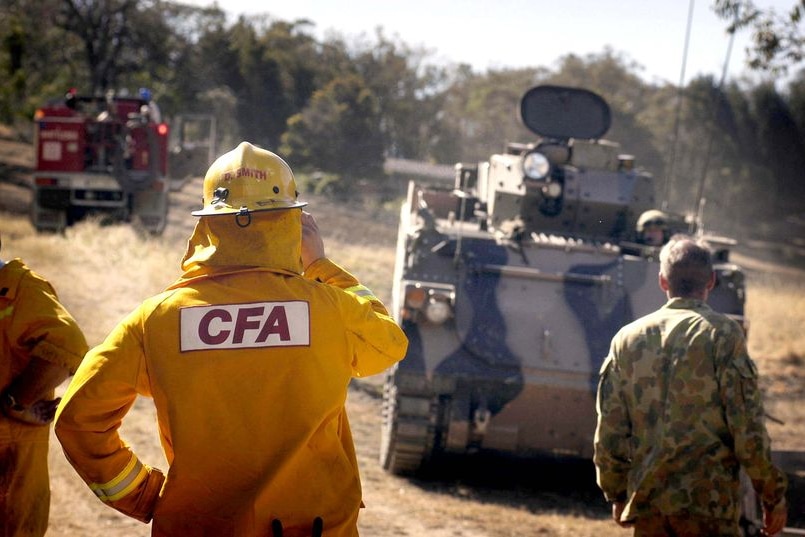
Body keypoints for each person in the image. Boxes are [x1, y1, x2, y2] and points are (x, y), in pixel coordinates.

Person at [55, 141, 408, 537]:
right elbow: (389, 344)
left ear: (207, 225)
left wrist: (143, 493)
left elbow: (79, 420)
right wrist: (319, 264)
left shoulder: (156, 319)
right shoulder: (331, 308)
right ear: (293, 222)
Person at [594, 234, 788, 537]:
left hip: (650, 503)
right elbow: (747, 427)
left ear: (662, 281)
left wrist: (617, 493)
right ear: (711, 281)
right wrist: (772, 495)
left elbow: (610, 429)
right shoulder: (724, 335)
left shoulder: (627, 339)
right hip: (709, 506)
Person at [0, 236, 88, 537]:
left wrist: (14, 402)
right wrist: (14, 403)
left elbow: (68, 344)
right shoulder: (15, 291)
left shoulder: (18, 290)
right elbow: (69, 345)